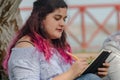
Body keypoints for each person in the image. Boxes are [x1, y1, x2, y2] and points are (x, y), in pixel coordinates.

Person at [3, 0, 110, 80]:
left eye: (64, 19)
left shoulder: (55, 47)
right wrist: (71, 73)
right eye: (57, 18)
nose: (62, 24)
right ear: (40, 19)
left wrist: (92, 72)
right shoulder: (26, 48)